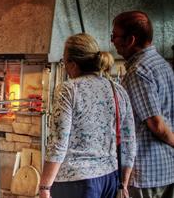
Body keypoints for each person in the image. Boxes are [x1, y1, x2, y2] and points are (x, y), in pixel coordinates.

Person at [39, 33, 136, 198]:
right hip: (109, 179)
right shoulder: (117, 89)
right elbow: (129, 140)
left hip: (75, 182)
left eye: (64, 61)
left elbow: (59, 143)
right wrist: (123, 183)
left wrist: (44, 187)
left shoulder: (68, 90)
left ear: (73, 64)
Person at [112, 11, 174, 198]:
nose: (112, 41)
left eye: (114, 36)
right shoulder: (162, 64)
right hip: (167, 168)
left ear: (131, 40)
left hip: (146, 173)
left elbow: (157, 124)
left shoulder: (138, 72)